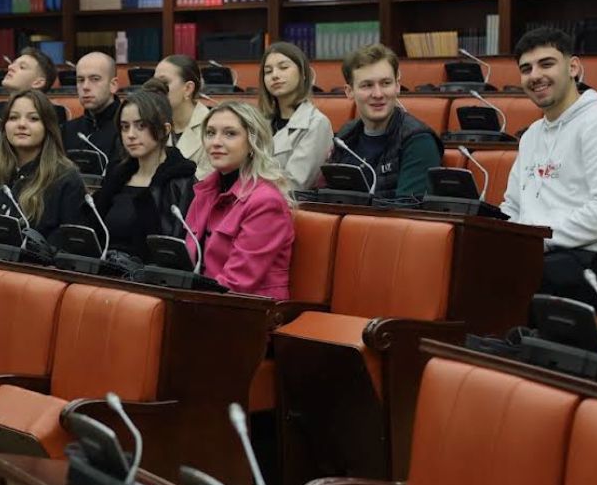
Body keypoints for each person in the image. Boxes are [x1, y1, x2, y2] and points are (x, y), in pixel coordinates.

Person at [501, 27, 597, 312]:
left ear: (573, 67)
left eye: (546, 64)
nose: (535, 75)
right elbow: (512, 207)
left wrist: (538, 242)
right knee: (471, 265)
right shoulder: (531, 135)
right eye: (526, 69)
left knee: (518, 278)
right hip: (544, 257)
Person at [185, 101, 295, 299]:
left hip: (248, 308)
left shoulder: (266, 202)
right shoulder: (204, 192)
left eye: (230, 134)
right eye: (210, 133)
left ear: (253, 142)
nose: (215, 142)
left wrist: (185, 299)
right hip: (204, 301)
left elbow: (238, 283)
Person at [0, 88, 86, 244]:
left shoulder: (66, 178)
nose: (21, 124)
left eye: (33, 119)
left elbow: (70, 244)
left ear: (48, 127)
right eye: (13, 118)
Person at [92, 79, 197, 259]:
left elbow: (173, 251)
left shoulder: (181, 181)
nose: (130, 135)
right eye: (125, 127)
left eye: (141, 126)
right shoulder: (116, 175)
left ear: (164, 129)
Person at [329, 43, 442, 199]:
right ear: (349, 92)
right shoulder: (345, 137)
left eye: (386, 83)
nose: (378, 94)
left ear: (397, 86)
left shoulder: (419, 140)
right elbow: (331, 198)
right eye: (367, 85)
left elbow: (408, 208)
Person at [257, 41, 334, 190]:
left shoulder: (317, 123)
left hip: (284, 202)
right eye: (268, 71)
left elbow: (294, 185)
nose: (275, 75)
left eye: (283, 67)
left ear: (303, 73)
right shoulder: (260, 121)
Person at [0, 48, 69, 166]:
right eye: (13, 118)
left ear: (38, 82)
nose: (10, 67)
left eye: (22, 67)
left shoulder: (54, 113)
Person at [154, 54, 212, 178]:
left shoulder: (213, 127)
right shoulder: (153, 125)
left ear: (188, 88)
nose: (155, 89)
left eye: (164, 82)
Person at [63, 51, 121, 166]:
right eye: (80, 80)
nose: (85, 87)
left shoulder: (127, 129)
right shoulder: (66, 130)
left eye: (95, 79)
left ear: (113, 85)